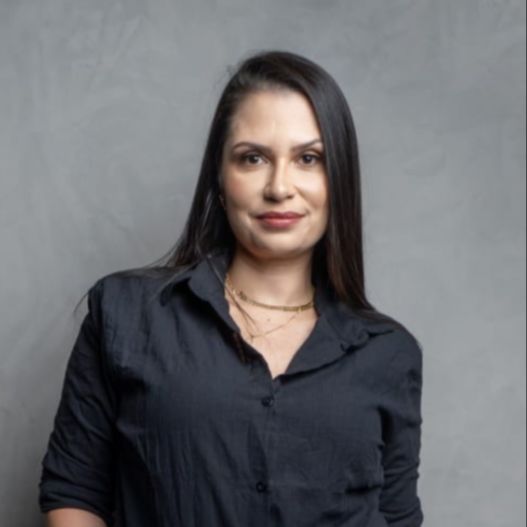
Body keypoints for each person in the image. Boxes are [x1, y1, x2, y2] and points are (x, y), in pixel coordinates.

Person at [38, 50, 424, 526]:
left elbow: (397, 517)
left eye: (308, 158)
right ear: (220, 179)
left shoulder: (390, 353)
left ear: (338, 181)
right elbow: (74, 490)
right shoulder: (126, 313)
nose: (279, 187)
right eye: (253, 158)